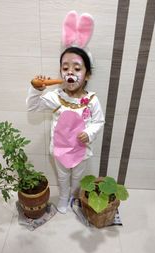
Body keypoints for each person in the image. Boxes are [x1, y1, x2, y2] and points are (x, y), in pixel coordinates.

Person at [26, 46, 105, 214]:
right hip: (60, 150)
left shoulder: (92, 99)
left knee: (77, 176)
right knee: (62, 176)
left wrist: (89, 133)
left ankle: (74, 196)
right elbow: (32, 107)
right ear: (60, 72)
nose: (70, 72)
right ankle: (63, 196)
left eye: (77, 68)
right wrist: (36, 89)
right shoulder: (56, 97)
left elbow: (99, 121)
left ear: (87, 75)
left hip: (82, 151)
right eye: (65, 67)